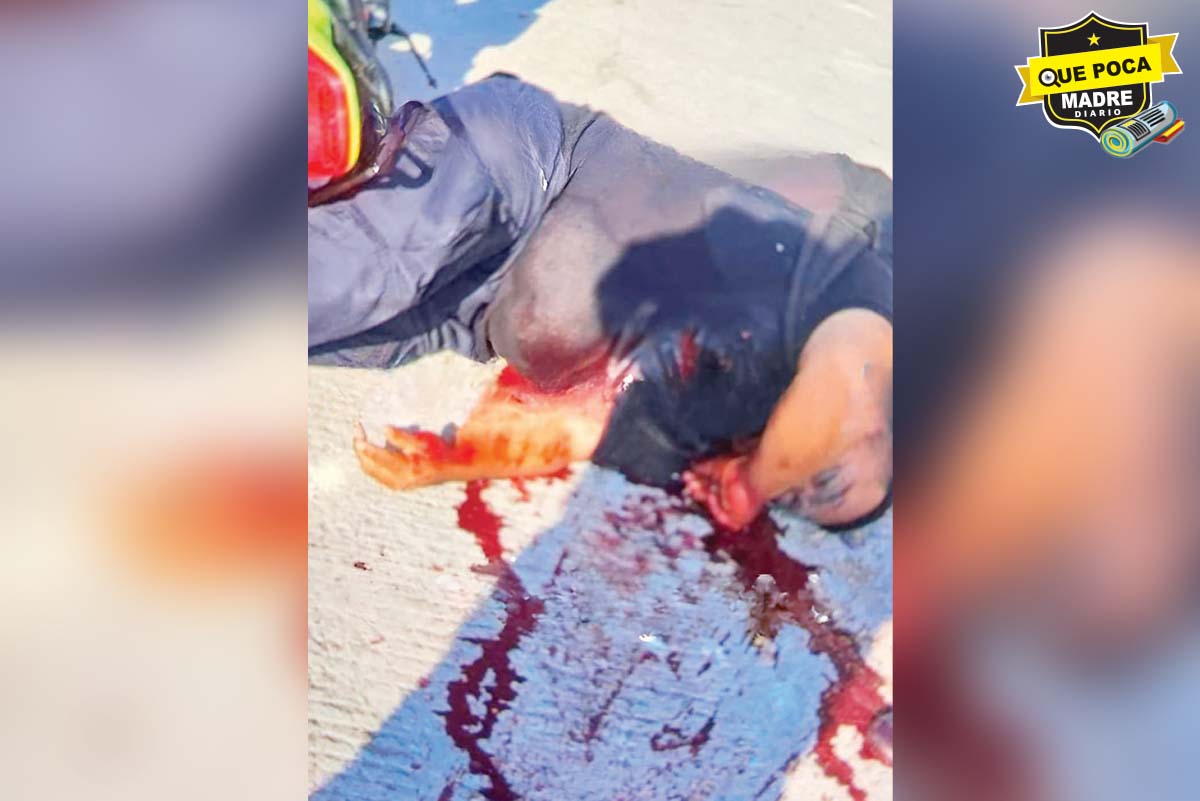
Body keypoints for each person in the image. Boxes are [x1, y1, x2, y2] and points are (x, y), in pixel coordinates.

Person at [308, 0, 893, 530]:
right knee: (347, 284)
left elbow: (579, 429)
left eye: (799, 501)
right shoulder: (853, 297)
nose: (801, 483)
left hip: (470, 313)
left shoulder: (700, 428)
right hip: (532, 176)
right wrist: (756, 482)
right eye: (829, 479)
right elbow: (848, 388)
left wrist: (448, 459)